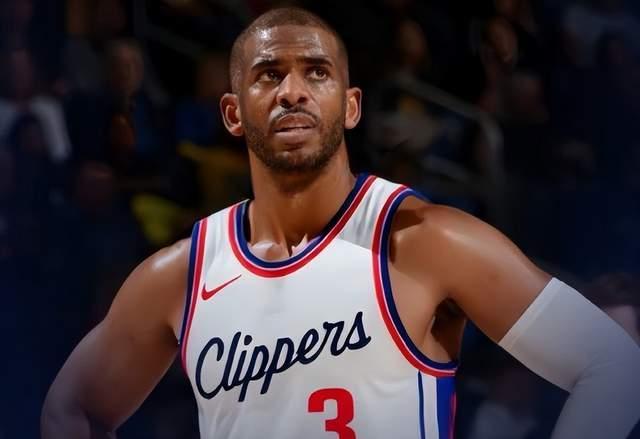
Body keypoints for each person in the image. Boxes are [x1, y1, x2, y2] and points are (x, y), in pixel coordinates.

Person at [41, 7, 640, 439]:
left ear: (350, 106)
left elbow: (614, 364)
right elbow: (71, 411)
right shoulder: (182, 274)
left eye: (317, 72)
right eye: (269, 74)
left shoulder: (425, 240)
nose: (293, 91)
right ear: (232, 112)